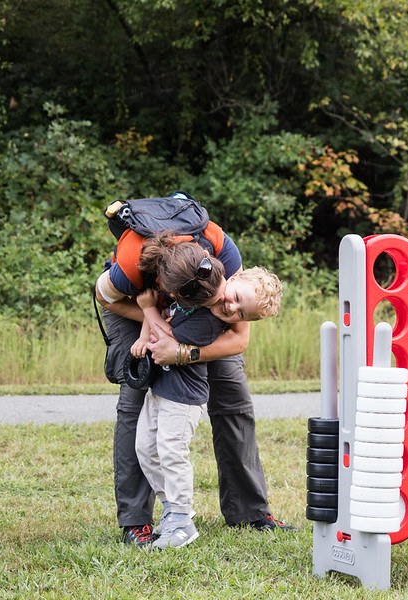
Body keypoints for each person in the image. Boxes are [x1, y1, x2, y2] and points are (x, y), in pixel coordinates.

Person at [95, 193, 291, 549]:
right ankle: (137, 521)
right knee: (136, 399)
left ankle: (249, 511)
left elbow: (237, 338)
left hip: (188, 322)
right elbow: (105, 297)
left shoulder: (225, 259)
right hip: (134, 308)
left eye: (227, 298)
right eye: (222, 300)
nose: (225, 304)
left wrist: (182, 352)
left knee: (232, 398)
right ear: (168, 288)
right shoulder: (130, 267)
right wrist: (154, 318)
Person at [131, 237, 227, 549]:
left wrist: (147, 310)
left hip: (184, 397)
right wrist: (147, 326)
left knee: (172, 452)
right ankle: (172, 509)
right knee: (146, 449)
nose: (220, 300)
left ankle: (182, 519)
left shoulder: (209, 318)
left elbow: (167, 337)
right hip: (161, 389)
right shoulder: (190, 295)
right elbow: (160, 322)